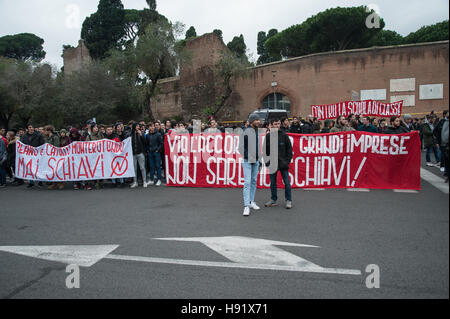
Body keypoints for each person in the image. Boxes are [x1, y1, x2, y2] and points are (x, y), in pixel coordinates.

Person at [263, 119, 293, 209]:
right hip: (272, 164)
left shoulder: (284, 135)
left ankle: (288, 200)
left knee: (287, 183)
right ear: (271, 125)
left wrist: (287, 161)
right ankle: (273, 199)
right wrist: (267, 162)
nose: (277, 125)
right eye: (275, 124)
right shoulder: (268, 136)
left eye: (279, 123)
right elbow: (265, 151)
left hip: (283, 164)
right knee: (273, 183)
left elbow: (289, 150)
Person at [238, 114, 262, 216]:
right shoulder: (245, 132)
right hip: (248, 160)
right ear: (252, 121)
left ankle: (251, 201)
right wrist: (250, 156)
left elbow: (257, 147)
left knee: (253, 181)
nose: (259, 121)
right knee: (247, 182)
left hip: (256, 161)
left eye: (259, 120)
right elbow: (241, 148)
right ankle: (246, 206)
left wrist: (259, 159)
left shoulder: (256, 131)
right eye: (256, 120)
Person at [20, 124, 45, 188]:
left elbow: (42, 144)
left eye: (32, 127)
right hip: (28, 154)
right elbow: (21, 144)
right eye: (29, 127)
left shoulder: (38, 135)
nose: (31, 128)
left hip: (37, 154)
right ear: (27, 128)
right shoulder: (24, 136)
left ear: (34, 128)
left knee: (38, 168)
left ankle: (40, 181)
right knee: (30, 168)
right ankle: (31, 182)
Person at [44, 125, 62, 190]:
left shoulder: (55, 137)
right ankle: (53, 183)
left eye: (45, 130)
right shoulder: (46, 138)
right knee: (51, 169)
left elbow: (57, 146)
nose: (44, 132)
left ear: (49, 131)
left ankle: (60, 182)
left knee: (57, 169)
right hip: (49, 156)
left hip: (55, 156)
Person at [130, 122, 148, 188]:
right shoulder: (130, 134)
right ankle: (135, 182)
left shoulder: (141, 133)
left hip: (140, 153)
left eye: (138, 126)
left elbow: (145, 142)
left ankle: (145, 181)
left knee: (142, 167)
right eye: (137, 126)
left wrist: (141, 135)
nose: (138, 127)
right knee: (134, 168)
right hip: (133, 154)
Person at [434, 110, 449, 182]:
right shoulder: (442, 122)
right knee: (446, 159)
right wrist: (437, 141)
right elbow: (435, 131)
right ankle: (446, 174)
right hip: (444, 144)